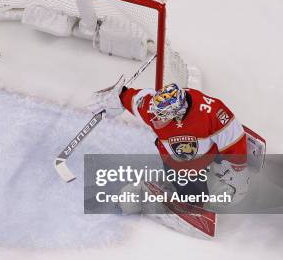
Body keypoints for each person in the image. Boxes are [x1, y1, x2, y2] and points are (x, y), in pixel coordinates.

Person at [97, 80, 249, 202]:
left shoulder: (212, 111)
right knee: (194, 198)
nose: (155, 118)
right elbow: (134, 99)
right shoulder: (151, 108)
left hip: (209, 153)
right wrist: (119, 96)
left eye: (162, 115)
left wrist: (237, 169)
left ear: (178, 112)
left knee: (222, 169)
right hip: (177, 164)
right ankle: (188, 201)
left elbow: (234, 139)